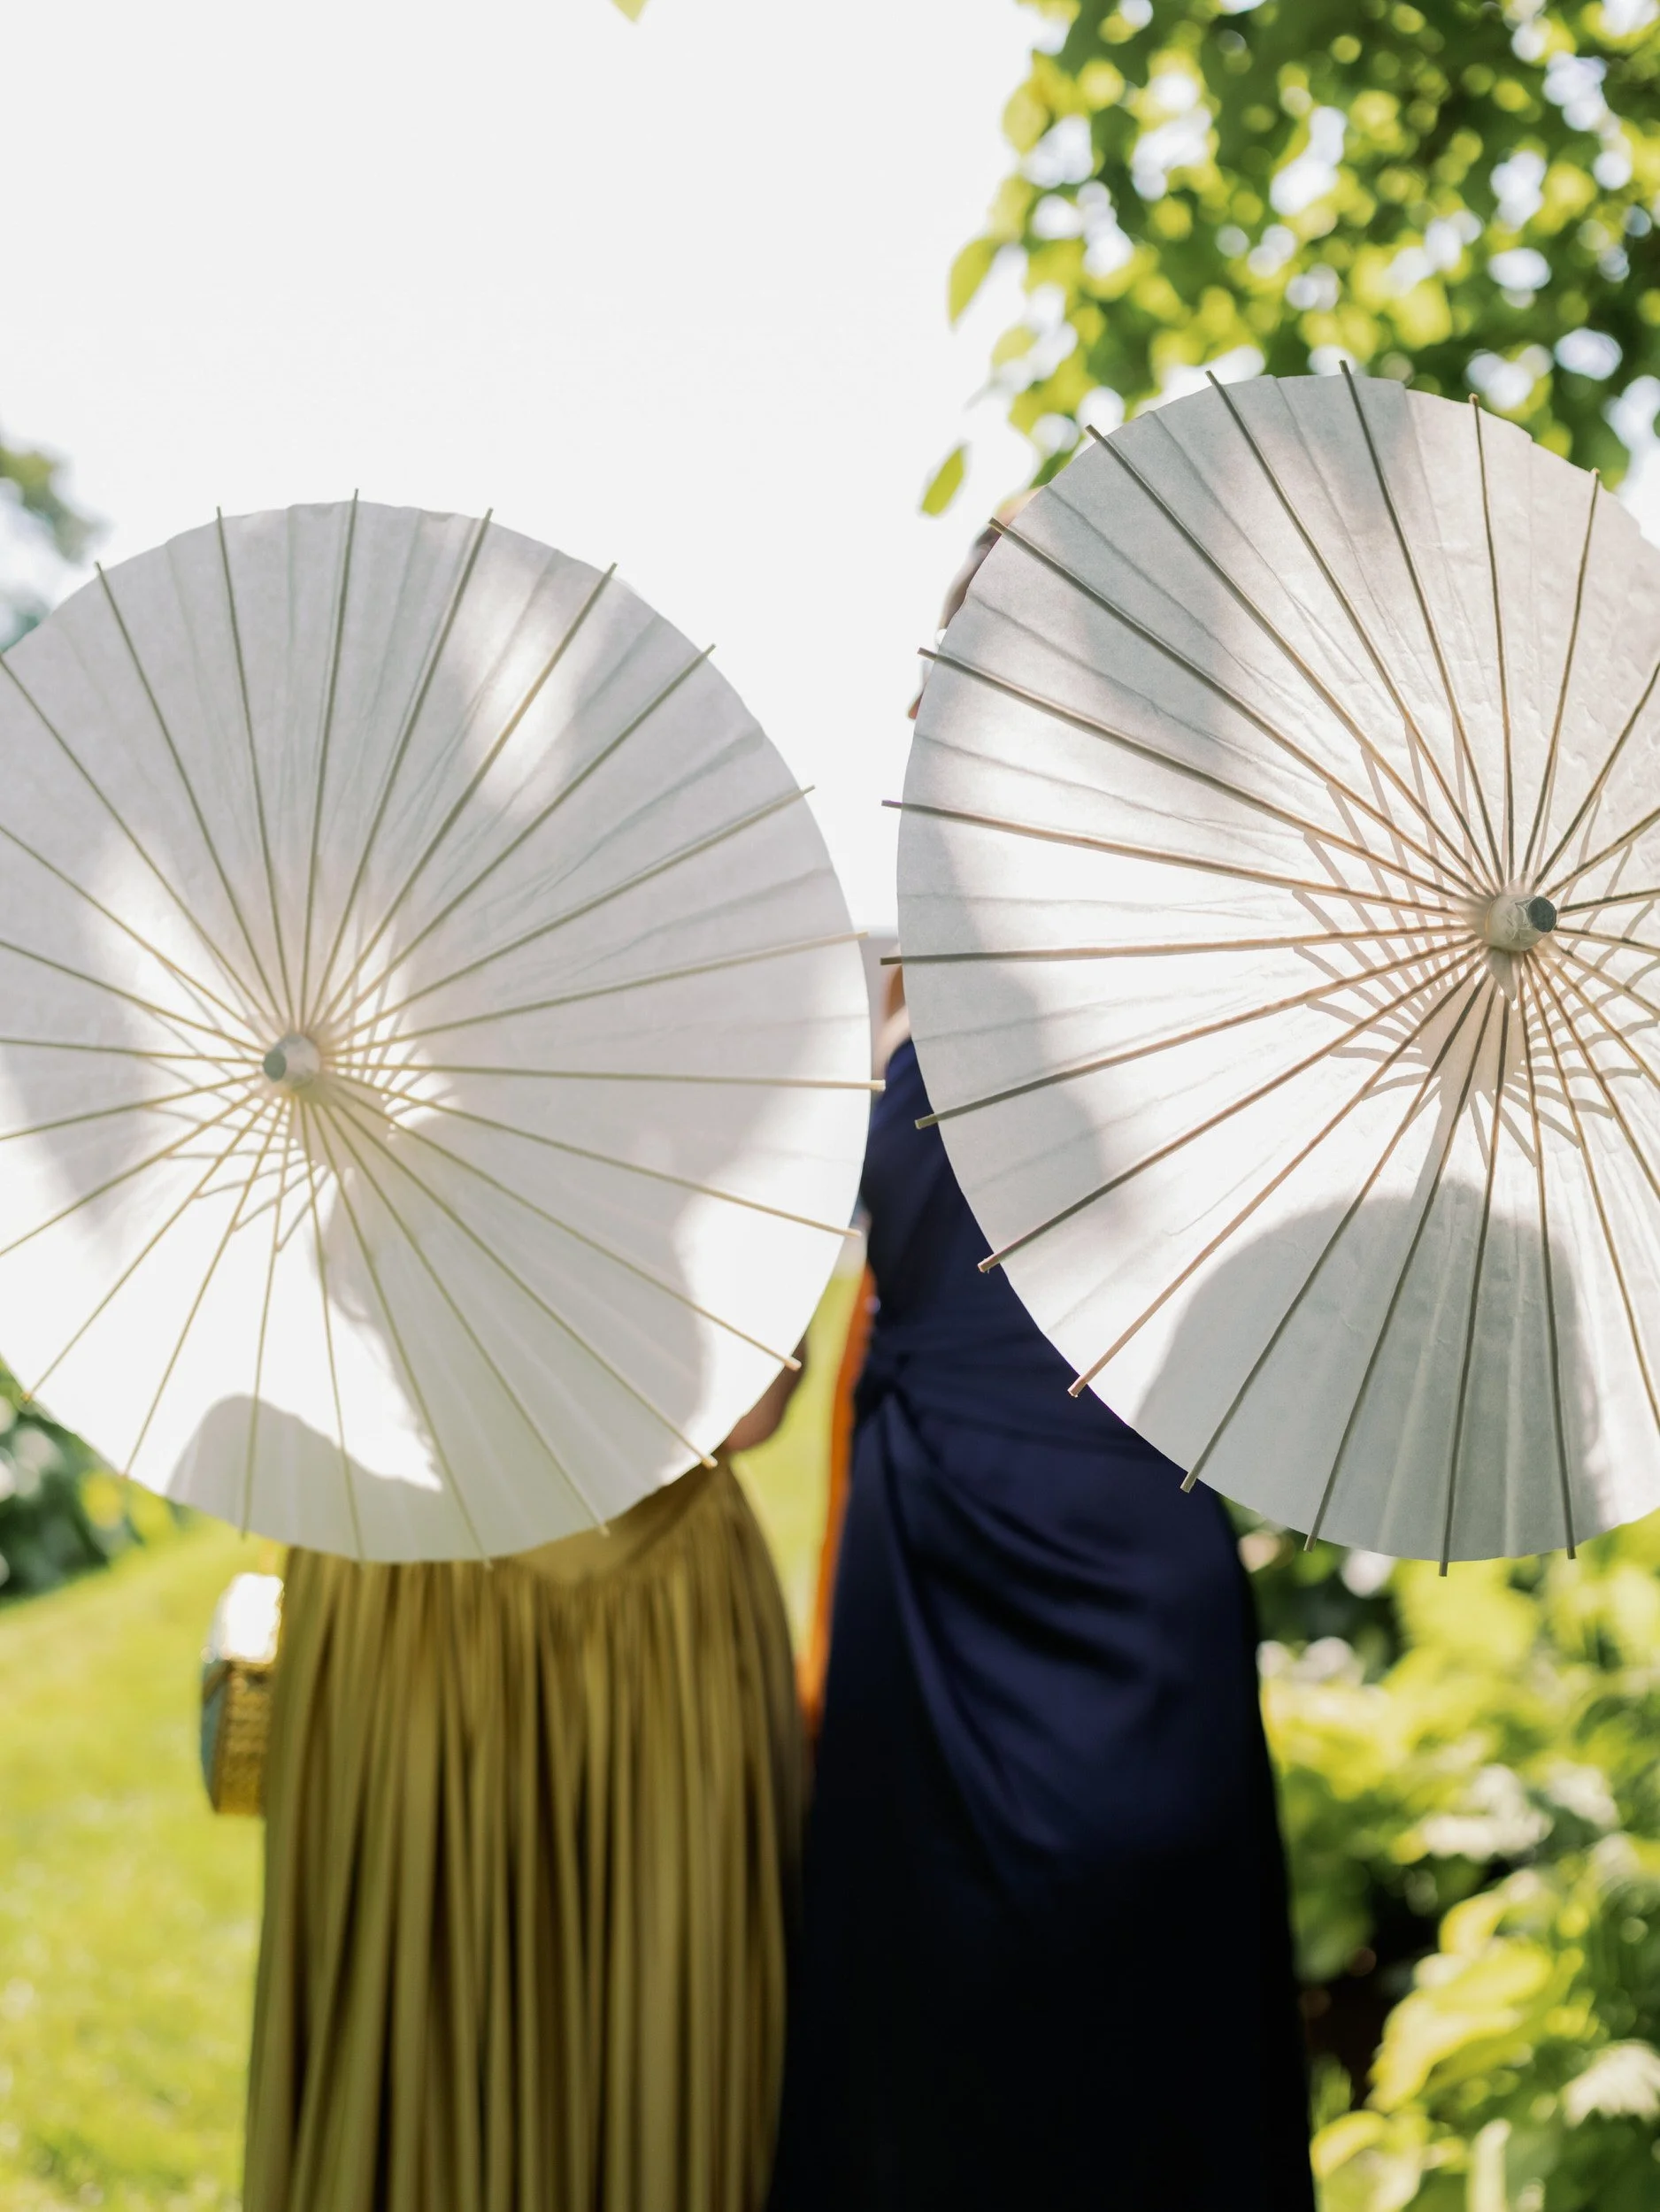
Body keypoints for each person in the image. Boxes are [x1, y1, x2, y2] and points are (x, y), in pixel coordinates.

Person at [767, 535, 1314, 2211]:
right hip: (923, 1567)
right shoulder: (919, 954)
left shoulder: (1235, 974)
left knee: (1133, 2014)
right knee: (922, 2044)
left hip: (1118, 1553)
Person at [242, 1360, 804, 2212]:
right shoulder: (750, 1215)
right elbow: (751, 1411)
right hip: (656, 1610)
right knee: (647, 2006)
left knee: (407, 1998)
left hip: (400, 1587)